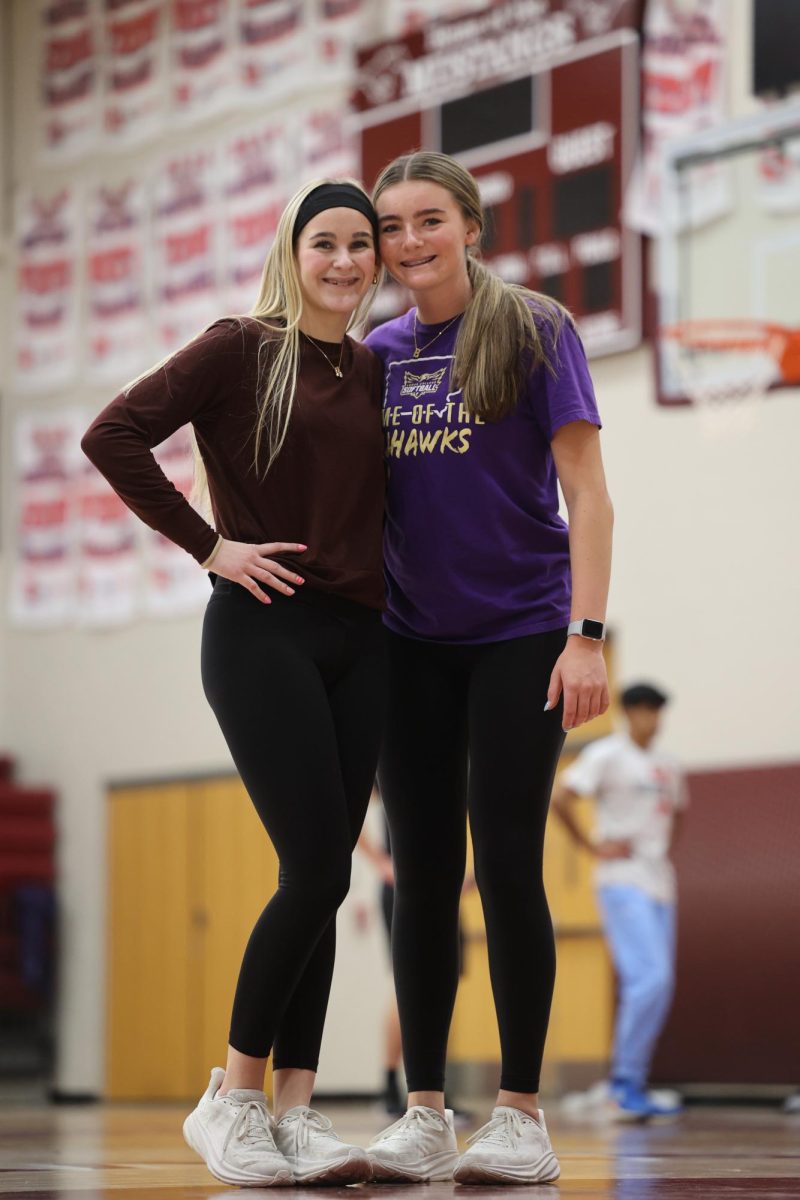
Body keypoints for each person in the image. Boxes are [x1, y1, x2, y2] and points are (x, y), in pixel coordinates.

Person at [81, 180, 388, 1187]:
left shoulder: (377, 370)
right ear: (292, 252)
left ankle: (295, 1115)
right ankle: (234, 1096)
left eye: (360, 245)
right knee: (312, 869)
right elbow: (111, 435)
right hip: (263, 632)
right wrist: (209, 548)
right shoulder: (239, 345)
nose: (344, 261)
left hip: (363, 639)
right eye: (324, 243)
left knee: (331, 874)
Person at [362, 150, 613, 1186]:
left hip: (520, 632)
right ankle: (423, 1111)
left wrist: (586, 633)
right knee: (418, 876)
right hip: (406, 642)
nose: (407, 241)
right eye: (390, 226)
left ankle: (517, 1115)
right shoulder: (372, 352)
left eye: (428, 219)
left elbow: (586, 493)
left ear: (470, 225)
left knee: (505, 864)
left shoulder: (536, 328)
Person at [552, 682, 688, 1120]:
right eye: (645, 710)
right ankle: (622, 1086)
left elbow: (679, 812)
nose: (653, 719)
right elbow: (560, 797)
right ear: (629, 713)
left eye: (658, 711)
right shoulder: (607, 755)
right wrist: (591, 847)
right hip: (621, 879)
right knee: (649, 978)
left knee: (658, 985)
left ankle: (629, 1082)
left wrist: (662, 852)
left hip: (659, 882)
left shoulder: (668, 765)